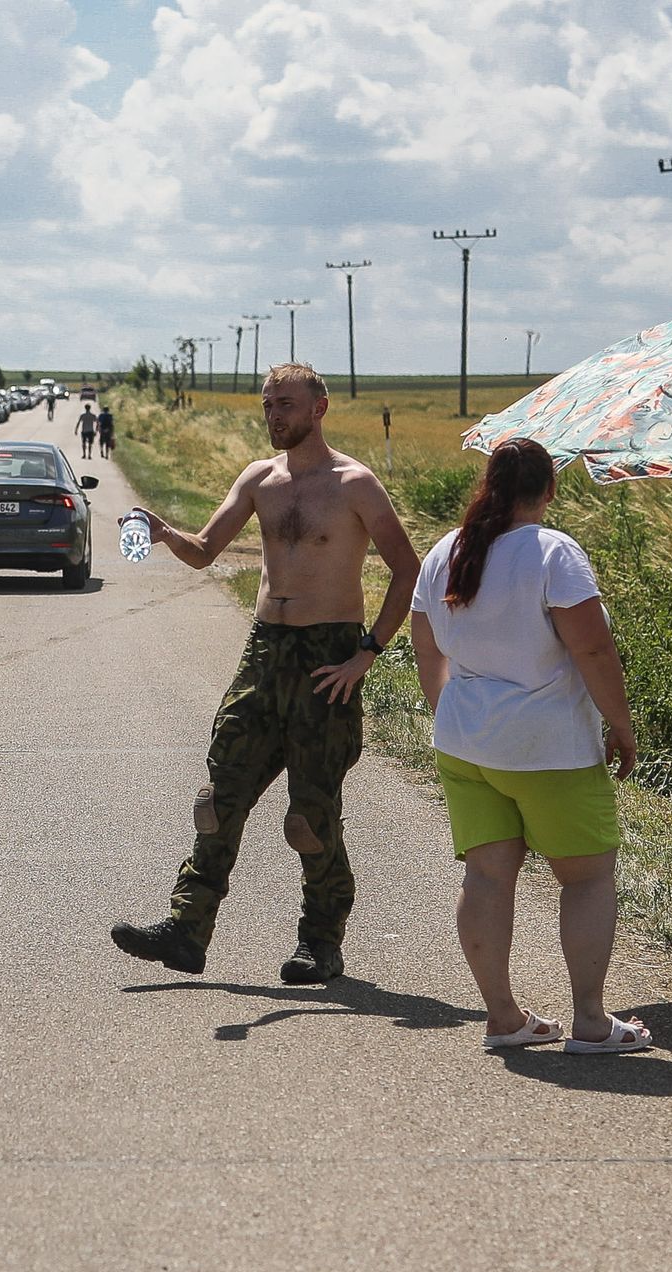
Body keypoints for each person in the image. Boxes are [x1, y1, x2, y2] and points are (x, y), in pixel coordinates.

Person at [111, 362, 420, 983]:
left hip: (327, 655)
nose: (275, 415)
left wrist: (367, 653)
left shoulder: (355, 484)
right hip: (264, 652)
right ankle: (187, 930)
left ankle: (320, 942)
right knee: (219, 797)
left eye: (286, 403)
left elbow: (407, 570)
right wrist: (164, 532)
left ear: (319, 408)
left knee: (310, 815)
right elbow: (204, 552)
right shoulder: (259, 479)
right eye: (268, 404)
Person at [407, 438, 650, 1053]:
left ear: (489, 483)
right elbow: (592, 649)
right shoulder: (553, 553)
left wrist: (451, 709)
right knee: (587, 879)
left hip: (465, 744)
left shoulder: (447, 551)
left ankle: (504, 1017)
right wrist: (619, 722)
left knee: (487, 877)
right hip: (549, 747)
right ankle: (591, 1022)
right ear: (548, 490)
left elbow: (427, 643)